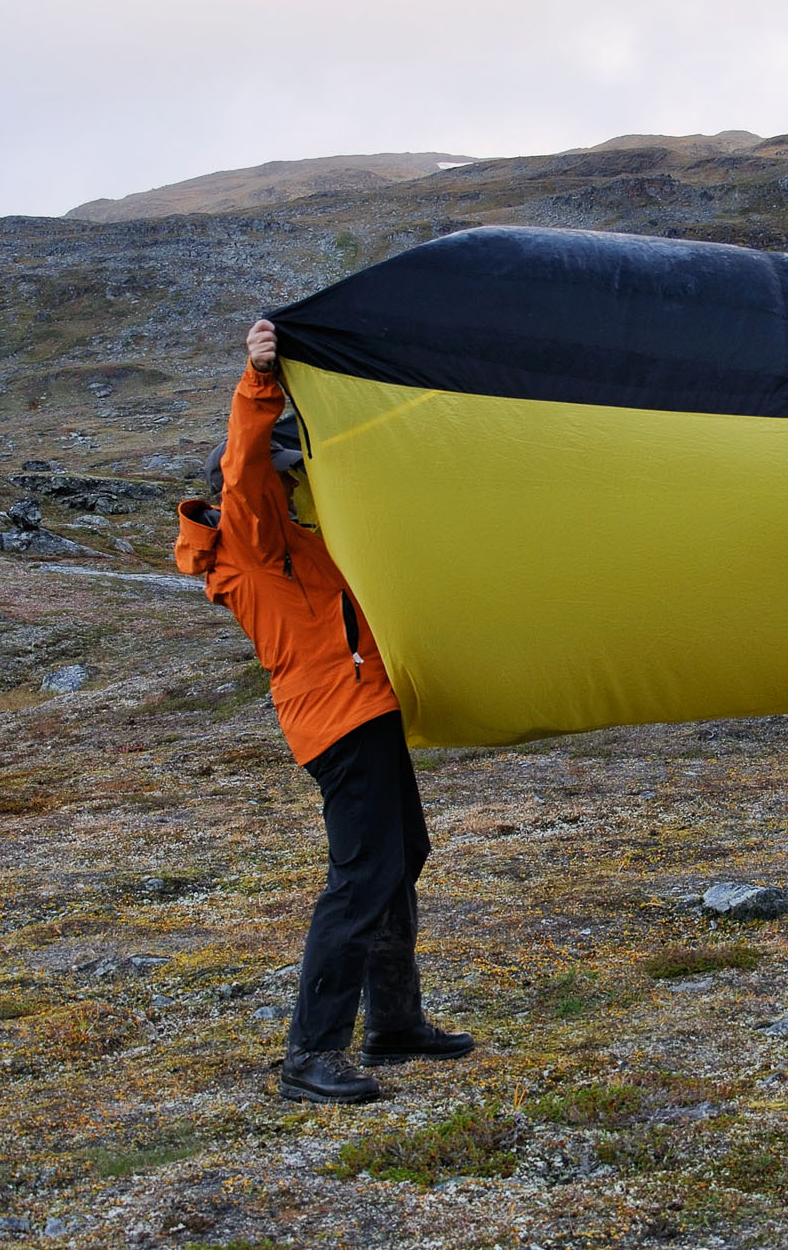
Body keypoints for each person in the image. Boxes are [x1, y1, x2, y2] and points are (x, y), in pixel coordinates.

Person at [173, 319, 473, 1104]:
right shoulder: (250, 534)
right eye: (286, 474)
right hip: (336, 719)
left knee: (402, 852)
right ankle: (312, 1051)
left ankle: (395, 1021)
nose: (295, 483)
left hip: (364, 707)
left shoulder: (298, 541)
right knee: (362, 874)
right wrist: (258, 380)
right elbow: (244, 469)